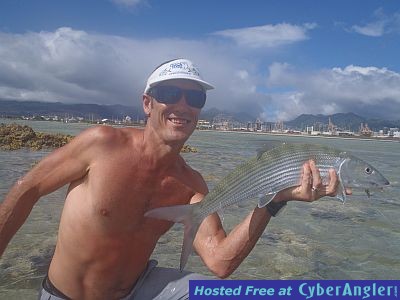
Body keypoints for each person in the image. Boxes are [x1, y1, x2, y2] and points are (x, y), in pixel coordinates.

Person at [0, 58, 343, 300]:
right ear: (147, 103)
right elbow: (27, 188)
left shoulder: (191, 184)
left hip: (142, 287)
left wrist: (276, 200)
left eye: (194, 98)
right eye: (169, 94)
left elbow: (219, 261)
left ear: (199, 111)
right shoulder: (102, 144)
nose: (182, 105)